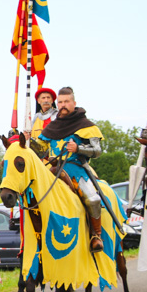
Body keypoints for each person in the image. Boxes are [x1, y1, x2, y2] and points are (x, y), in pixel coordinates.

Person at [35, 87, 106, 252]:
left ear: (74, 103)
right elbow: (39, 149)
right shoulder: (53, 127)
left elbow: (97, 151)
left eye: (66, 101)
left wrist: (79, 148)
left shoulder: (86, 126)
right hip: (52, 170)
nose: (63, 105)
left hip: (76, 169)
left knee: (93, 199)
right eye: (60, 102)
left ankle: (96, 235)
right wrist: (25, 141)